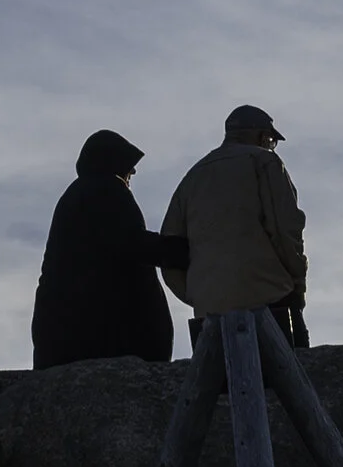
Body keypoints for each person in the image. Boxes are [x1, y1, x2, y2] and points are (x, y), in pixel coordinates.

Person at [30, 130, 188, 369]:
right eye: (127, 165)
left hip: (66, 336)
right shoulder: (106, 190)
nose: (132, 172)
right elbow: (131, 243)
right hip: (101, 338)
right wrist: (183, 251)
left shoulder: (77, 194)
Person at [159, 107, 308, 346]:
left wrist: (196, 295)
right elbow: (285, 229)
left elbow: (170, 250)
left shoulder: (192, 176)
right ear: (260, 136)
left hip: (210, 310)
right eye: (270, 140)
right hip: (270, 299)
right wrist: (297, 283)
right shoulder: (265, 162)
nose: (270, 145)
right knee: (293, 375)